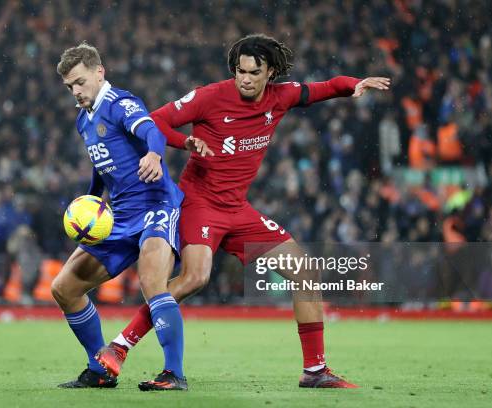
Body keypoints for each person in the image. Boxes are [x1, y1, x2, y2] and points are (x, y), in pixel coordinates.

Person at [97, 33, 390, 388]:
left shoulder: (280, 97)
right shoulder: (210, 96)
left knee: (305, 272)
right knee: (195, 278)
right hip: (198, 202)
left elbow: (323, 88)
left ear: (270, 73)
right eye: (240, 71)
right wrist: (184, 141)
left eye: (254, 72)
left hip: (237, 210)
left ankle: (315, 370)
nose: (246, 79)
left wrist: (354, 84)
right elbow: (156, 119)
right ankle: (120, 346)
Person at [52, 41, 194, 391]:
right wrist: (89, 202)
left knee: (152, 285)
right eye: (70, 86)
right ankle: (99, 367)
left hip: (155, 208)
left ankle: (173, 374)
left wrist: (155, 156)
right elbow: (103, 170)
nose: (76, 91)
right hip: (118, 218)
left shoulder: (120, 103)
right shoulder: (83, 122)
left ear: (99, 72)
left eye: (81, 82)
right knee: (64, 288)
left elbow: (152, 132)